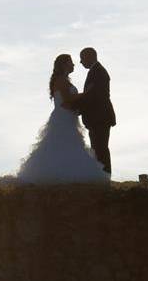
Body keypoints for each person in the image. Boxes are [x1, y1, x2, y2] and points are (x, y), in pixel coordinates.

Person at [12, 54, 110, 184]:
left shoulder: (64, 80)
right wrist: (86, 94)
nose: (74, 64)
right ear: (64, 64)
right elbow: (67, 99)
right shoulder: (60, 80)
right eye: (71, 62)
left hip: (69, 116)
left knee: (71, 144)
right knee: (62, 143)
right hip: (63, 117)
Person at [71, 47, 116, 175]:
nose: (80, 62)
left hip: (100, 117)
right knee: (98, 147)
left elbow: (93, 96)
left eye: (82, 58)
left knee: (100, 148)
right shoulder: (95, 71)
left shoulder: (98, 72)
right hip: (97, 118)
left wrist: (74, 106)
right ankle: (102, 176)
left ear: (90, 56)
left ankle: (104, 177)